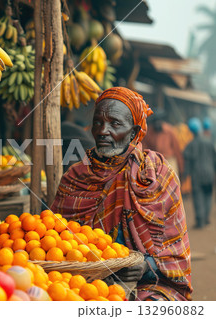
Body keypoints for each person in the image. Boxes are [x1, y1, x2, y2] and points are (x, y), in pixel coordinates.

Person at [51, 87, 192, 301]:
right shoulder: (75, 177)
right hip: (83, 282)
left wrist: (146, 265)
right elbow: (54, 237)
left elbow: (176, 248)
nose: (103, 131)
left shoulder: (159, 175)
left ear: (134, 132)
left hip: (150, 283)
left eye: (115, 124)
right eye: (98, 122)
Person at [183, 118, 215, 229]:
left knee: (198, 198)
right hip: (209, 174)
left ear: (191, 131)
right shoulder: (209, 142)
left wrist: (184, 177)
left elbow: (187, 163)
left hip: (197, 176)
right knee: (208, 196)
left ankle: (200, 220)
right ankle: (206, 218)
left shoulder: (190, 145)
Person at [142, 111, 184, 177]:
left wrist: (181, 168)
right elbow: (144, 148)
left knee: (171, 182)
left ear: (162, 121)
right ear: (152, 122)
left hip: (169, 161)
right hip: (155, 162)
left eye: (159, 121)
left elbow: (177, 149)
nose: (157, 123)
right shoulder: (149, 132)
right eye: (155, 121)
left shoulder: (169, 131)